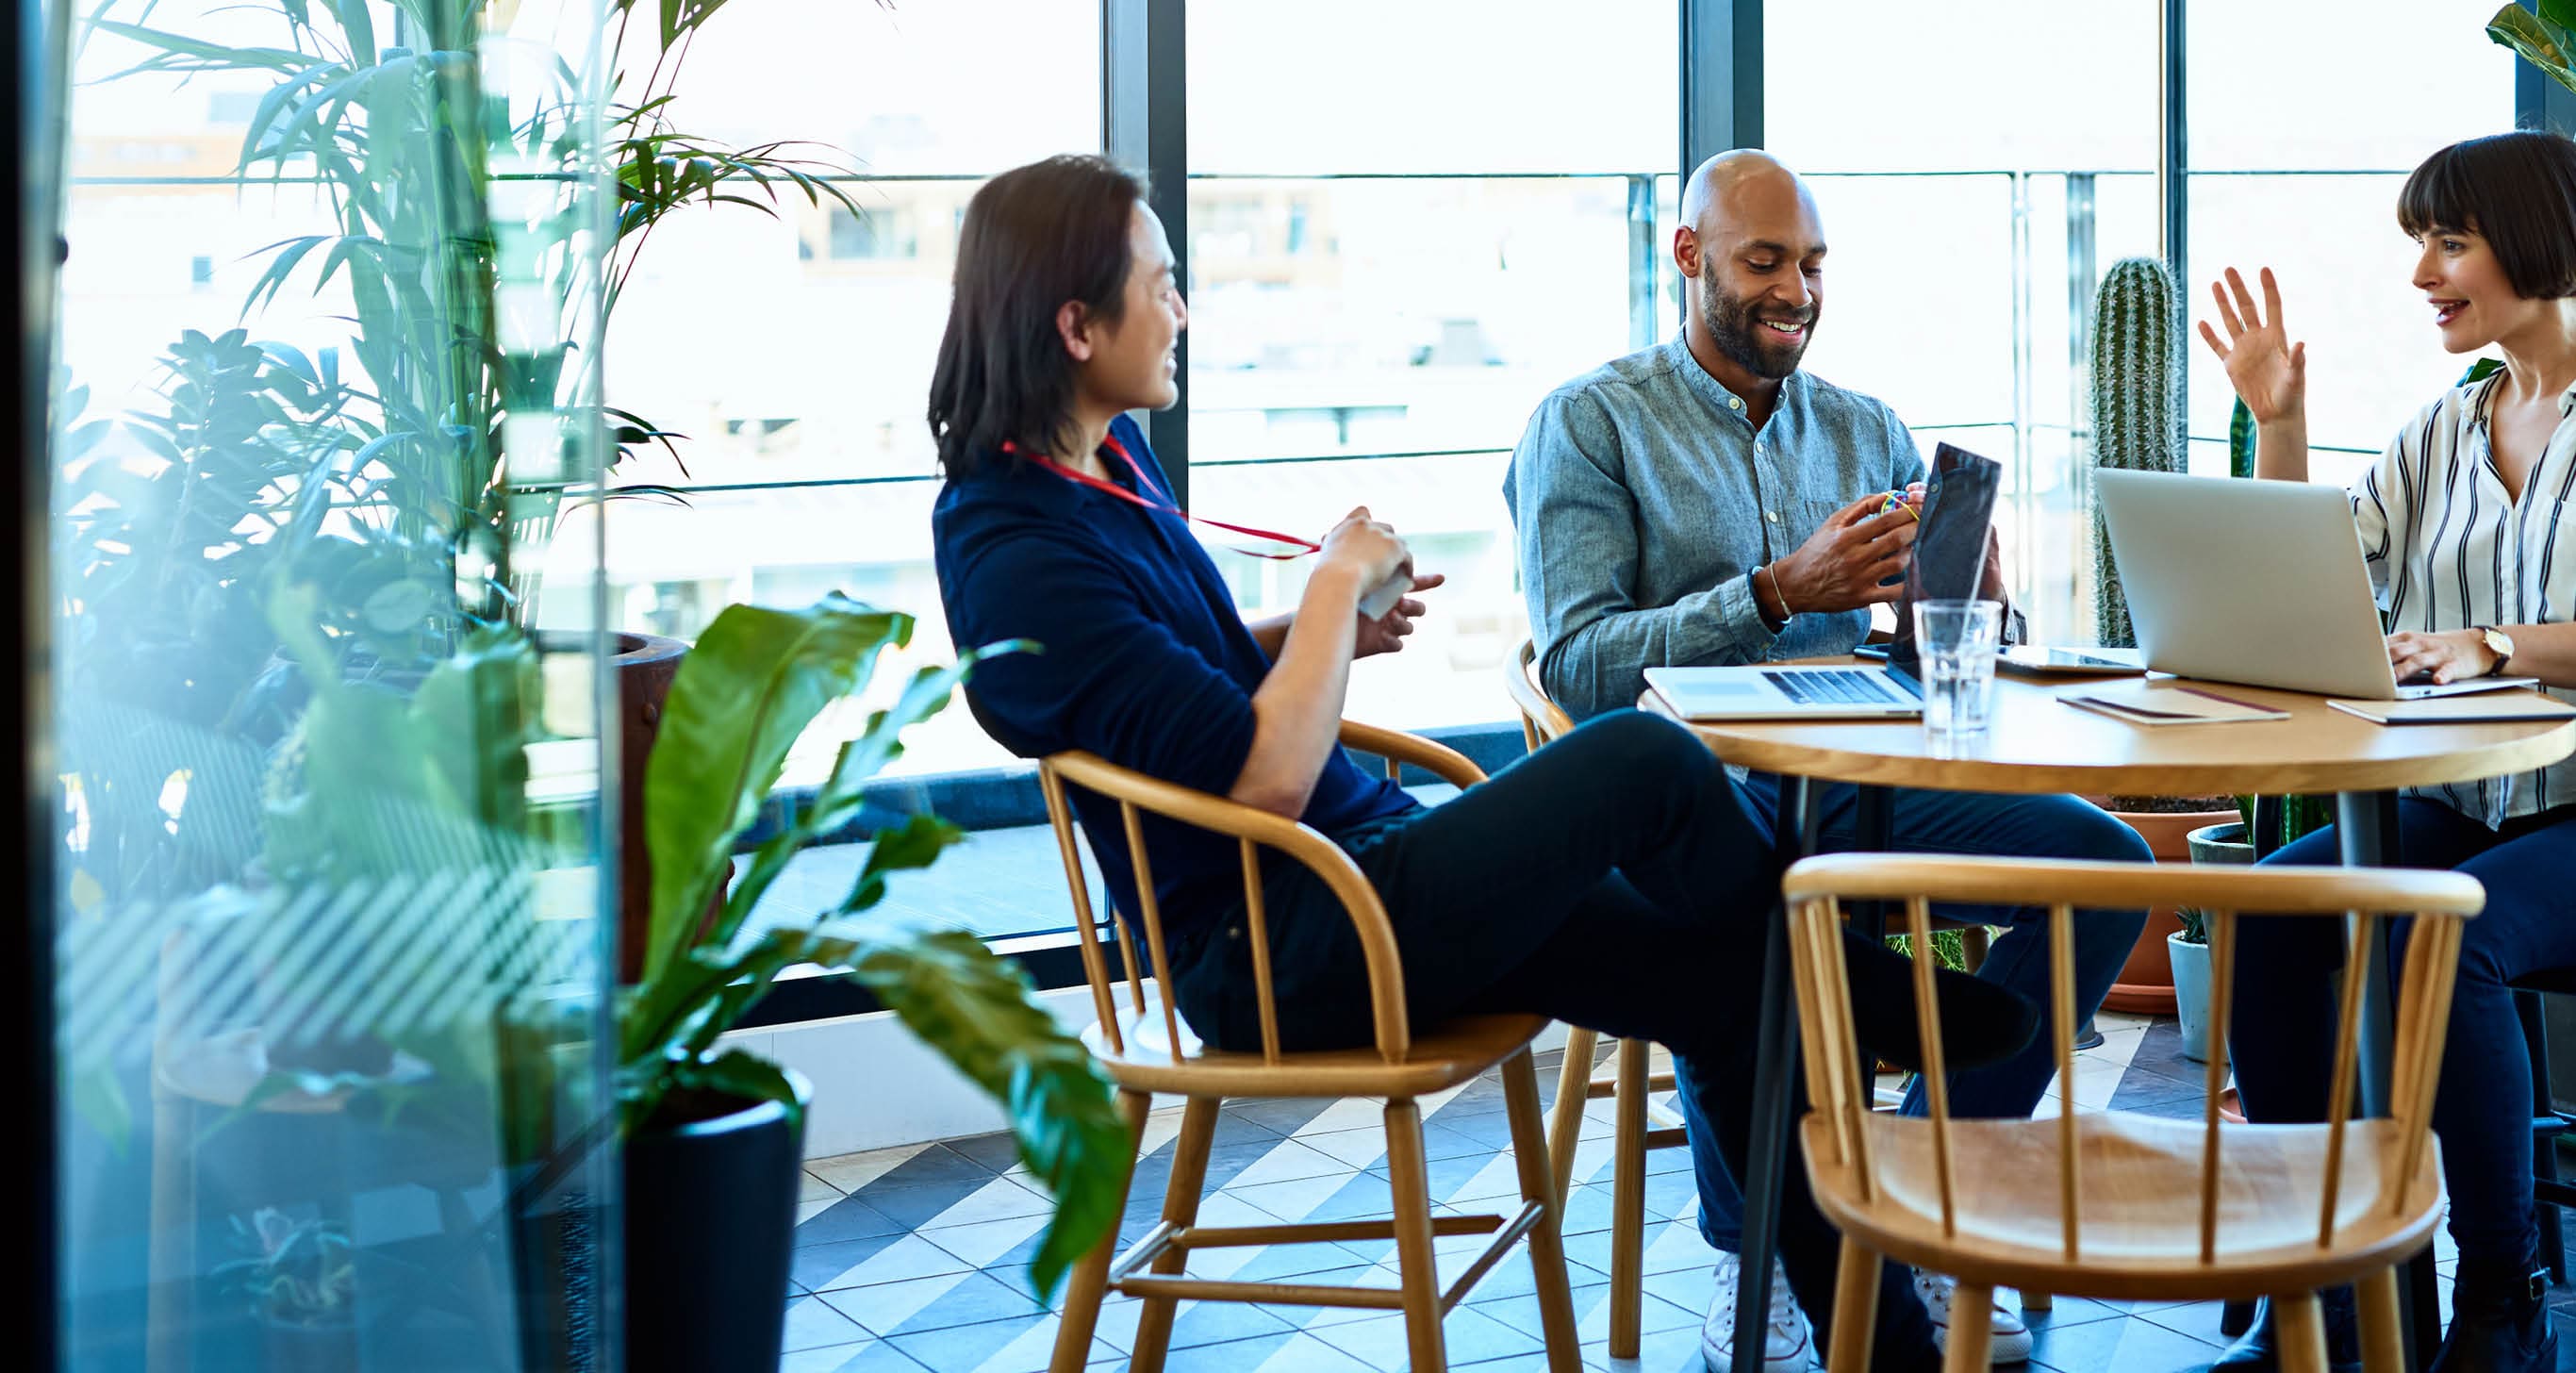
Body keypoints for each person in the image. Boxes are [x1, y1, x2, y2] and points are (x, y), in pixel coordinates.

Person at [929, 153, 2039, 1373]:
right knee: (1640, 762)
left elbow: (1169, 678)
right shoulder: (1012, 546)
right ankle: (1867, 990)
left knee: (1740, 991)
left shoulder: (1107, 472)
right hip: (1277, 943)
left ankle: (1877, 1346)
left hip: (1358, 869)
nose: (1185, 311)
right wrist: (1331, 584)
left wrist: (1310, 637)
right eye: (1165, 286)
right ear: (1077, 325)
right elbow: (1259, 782)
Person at [1504, 149, 2153, 1371]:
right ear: (1688, 258)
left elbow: (1928, 660)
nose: (1794, 288)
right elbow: (1581, 662)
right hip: (1680, 803)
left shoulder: (1864, 428)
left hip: (1870, 777)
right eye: (1763, 263)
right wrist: (1771, 591)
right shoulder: (1587, 426)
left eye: (1810, 263)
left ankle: (1921, 1195)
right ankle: (1769, 1255)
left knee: (2104, 864)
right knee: (1742, 909)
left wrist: (1969, 610)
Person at [2200, 128, 2576, 1373]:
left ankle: (2501, 1294)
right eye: (2421, 243)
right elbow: (2314, 580)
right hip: (2474, 804)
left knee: (2445, 929)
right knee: (2269, 906)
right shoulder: (2441, 433)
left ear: (2540, 237)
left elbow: (2483, 639)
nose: (2423, 273)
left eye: (2450, 241)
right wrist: (2282, 423)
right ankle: (2337, 1277)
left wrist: (2494, 642)